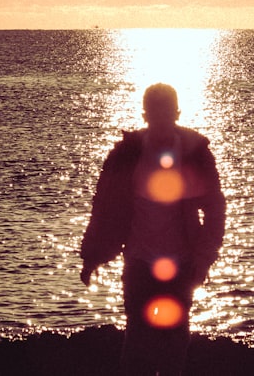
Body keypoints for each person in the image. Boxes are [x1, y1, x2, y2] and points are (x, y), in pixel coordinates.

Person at [80, 83, 226, 376]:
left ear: (177, 114)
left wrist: (203, 258)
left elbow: (215, 209)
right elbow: (104, 206)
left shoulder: (195, 153)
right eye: (156, 114)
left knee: (174, 347)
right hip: (139, 263)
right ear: (145, 116)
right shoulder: (127, 154)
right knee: (136, 347)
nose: (162, 121)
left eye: (168, 114)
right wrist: (91, 256)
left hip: (182, 264)